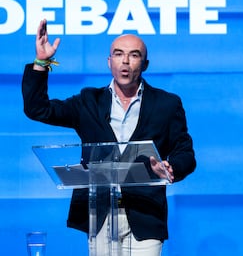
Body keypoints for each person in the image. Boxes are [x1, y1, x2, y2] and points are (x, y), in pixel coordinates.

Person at [22, 19, 196, 255]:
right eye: (118, 54)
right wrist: (42, 62)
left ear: (145, 64)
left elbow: (184, 152)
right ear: (109, 62)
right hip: (100, 214)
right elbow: (37, 109)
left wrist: (170, 167)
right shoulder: (88, 101)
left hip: (145, 215)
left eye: (134, 55)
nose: (125, 61)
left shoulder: (166, 104)